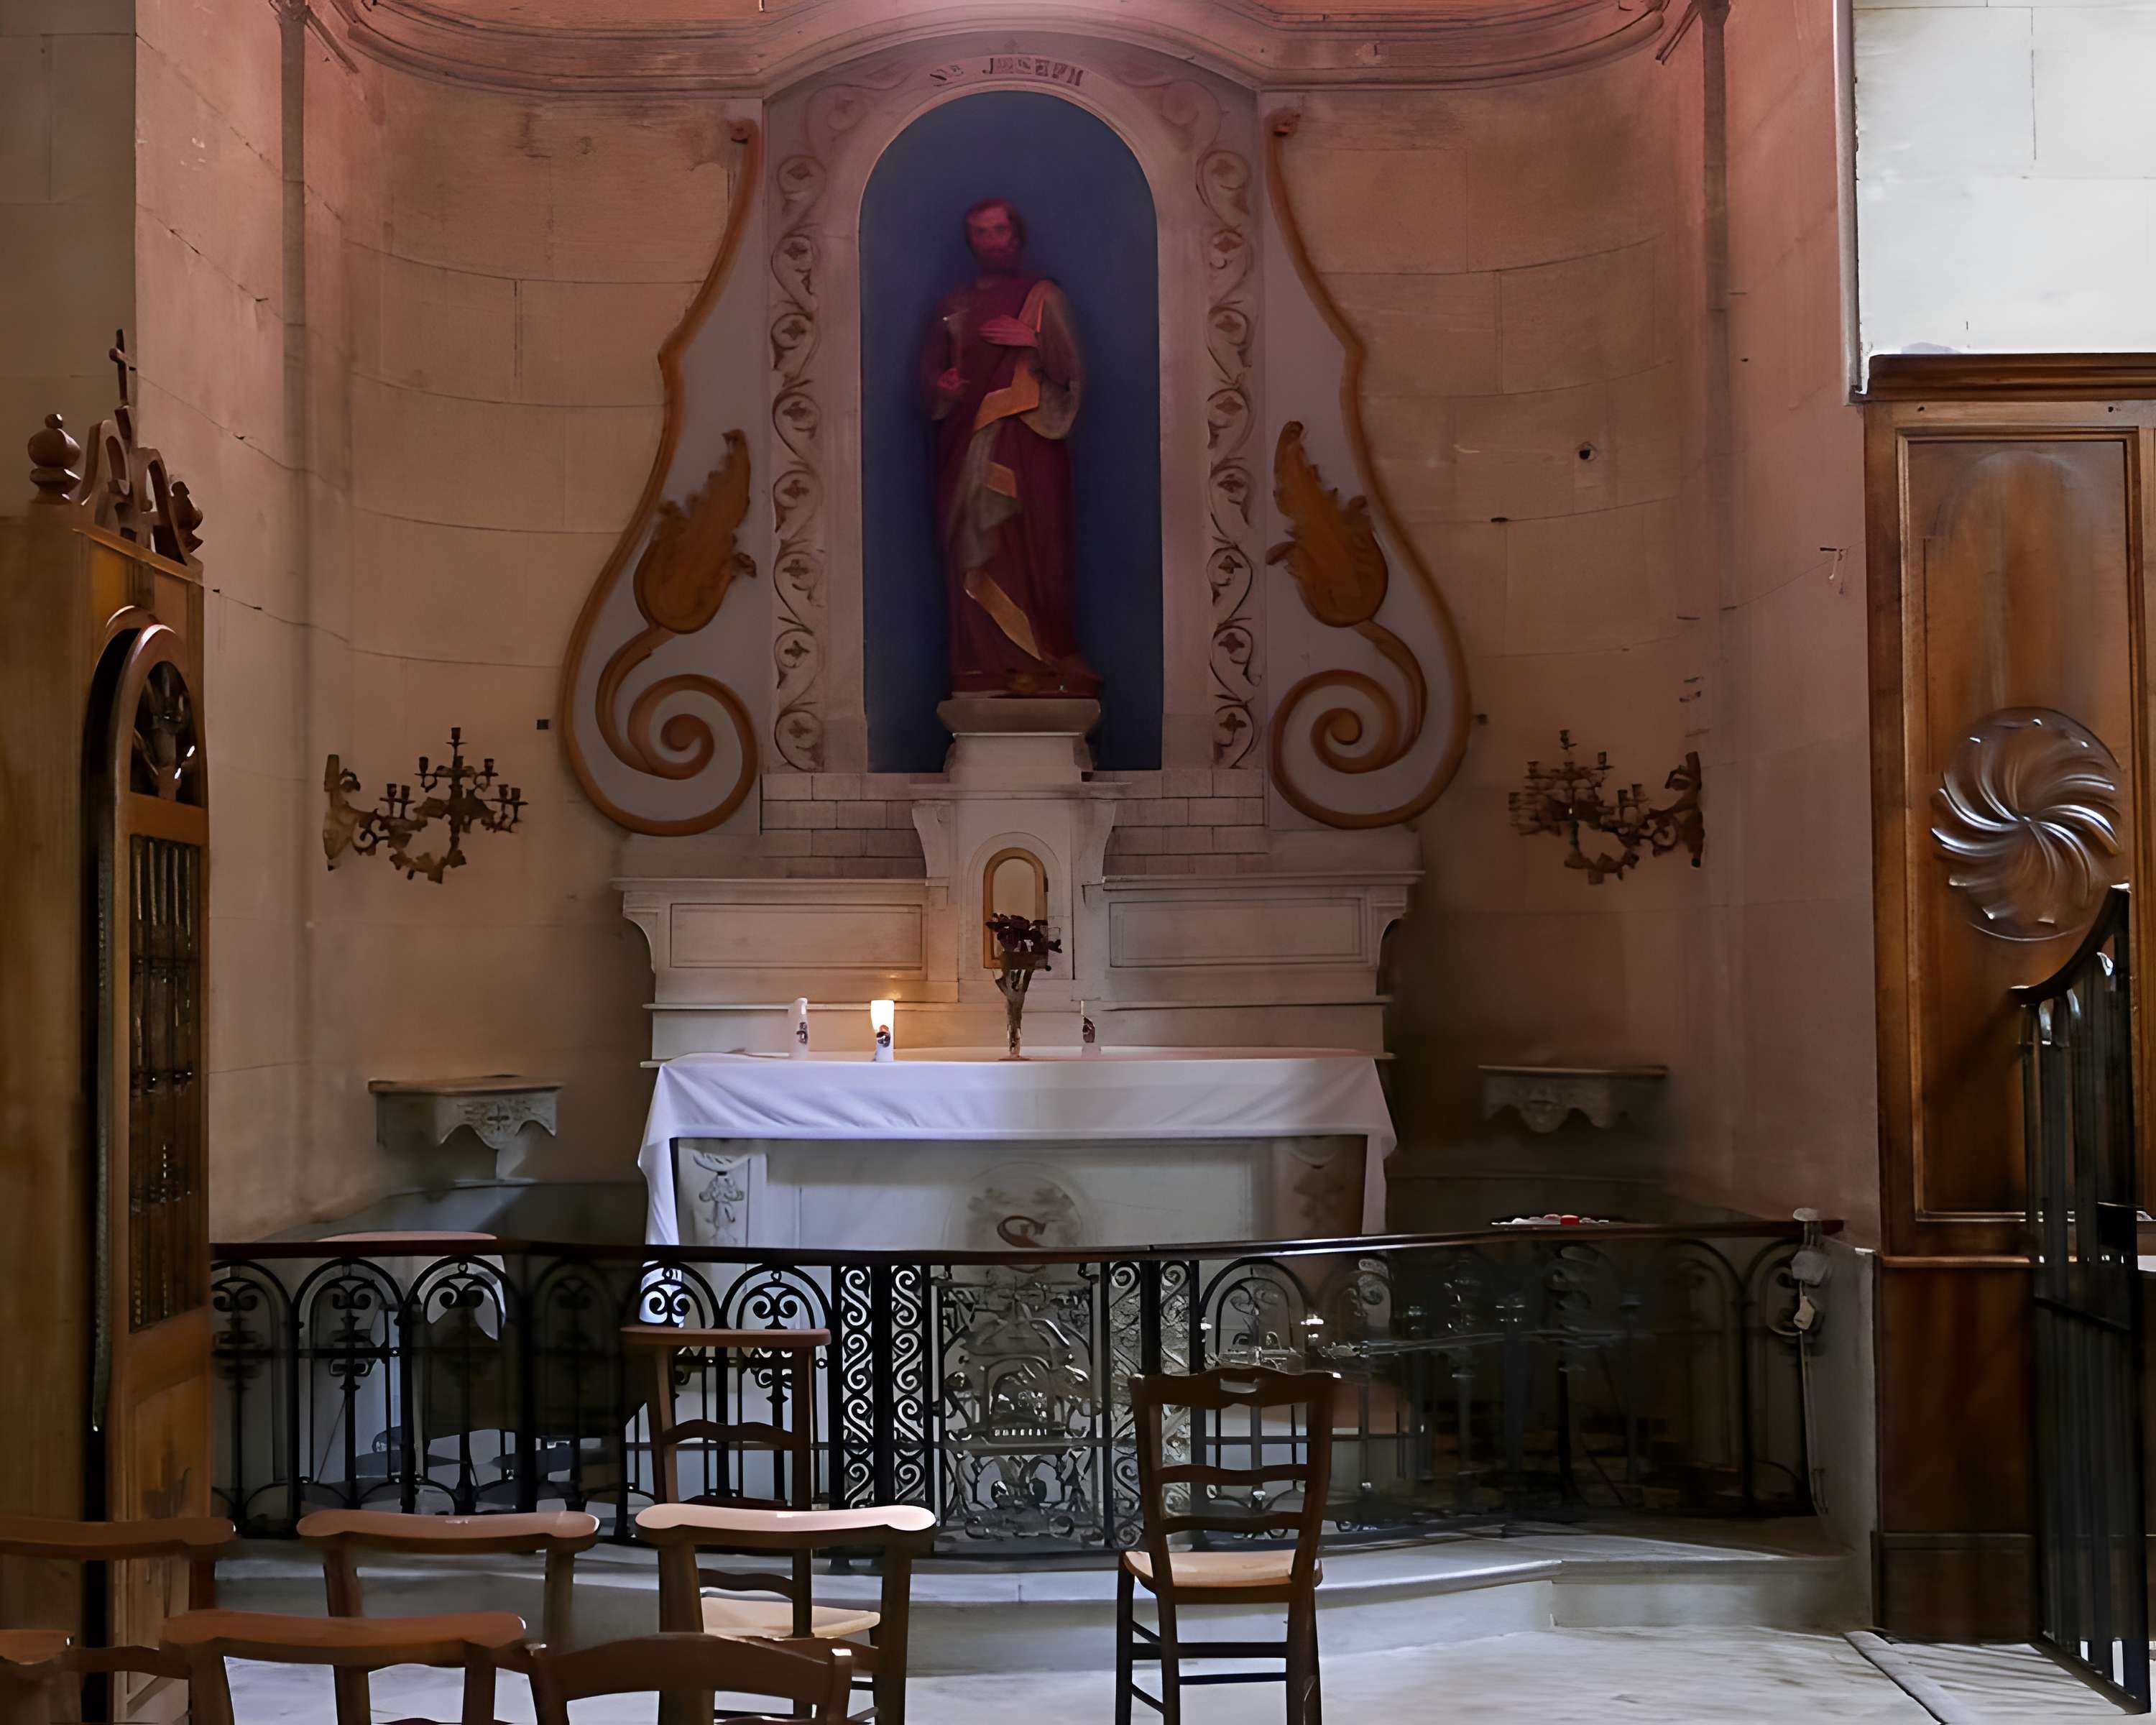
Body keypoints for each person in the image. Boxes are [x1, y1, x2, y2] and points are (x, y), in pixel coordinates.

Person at [922, 198, 1101, 699]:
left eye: (1000, 230)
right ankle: (984, 667)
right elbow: (929, 379)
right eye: (980, 232)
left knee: (1039, 552)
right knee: (974, 554)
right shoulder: (953, 308)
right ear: (970, 242)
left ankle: (1048, 662)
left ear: (1017, 236)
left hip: (1031, 446)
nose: (992, 240)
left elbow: (1073, 375)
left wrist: (1033, 338)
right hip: (966, 451)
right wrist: (945, 386)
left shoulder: (1043, 298)